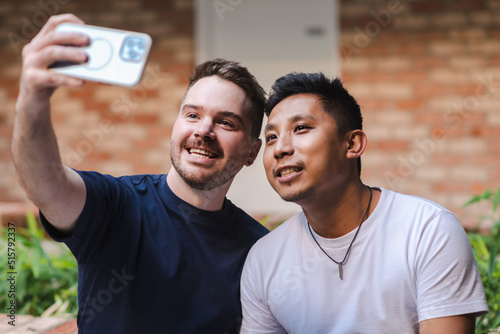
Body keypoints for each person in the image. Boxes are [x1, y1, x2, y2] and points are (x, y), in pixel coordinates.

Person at [12, 13, 269, 334]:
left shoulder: (260, 251)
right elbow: (45, 184)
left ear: (251, 152)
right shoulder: (116, 206)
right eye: (192, 114)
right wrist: (32, 100)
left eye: (226, 122)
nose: (204, 130)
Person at [240, 72, 488, 333]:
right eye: (271, 137)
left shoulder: (427, 230)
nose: (280, 148)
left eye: (300, 128)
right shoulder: (264, 259)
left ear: (352, 143)